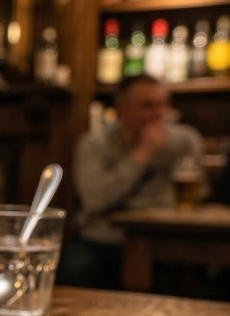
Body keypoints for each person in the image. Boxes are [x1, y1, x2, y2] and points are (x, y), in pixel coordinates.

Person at [60, 74, 204, 289]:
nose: (159, 114)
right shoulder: (94, 144)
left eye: (163, 106)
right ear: (122, 109)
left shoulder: (185, 141)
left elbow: (199, 196)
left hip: (164, 243)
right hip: (104, 240)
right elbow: (95, 200)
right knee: (75, 269)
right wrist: (142, 154)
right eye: (148, 106)